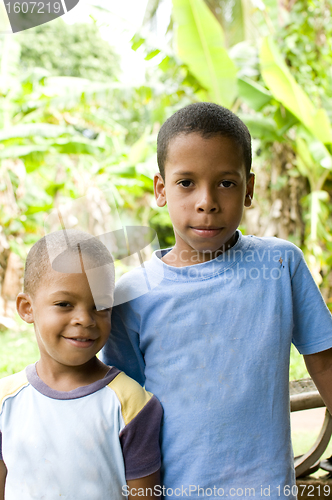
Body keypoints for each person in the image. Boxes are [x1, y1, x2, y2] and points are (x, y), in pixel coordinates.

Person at [101, 102, 332, 499]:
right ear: (161, 189)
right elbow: (125, 406)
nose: (206, 201)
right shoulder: (131, 295)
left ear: (250, 189)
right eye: (186, 183)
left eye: (226, 182)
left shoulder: (280, 263)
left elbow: (325, 362)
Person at [0, 229, 162, 500]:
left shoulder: (132, 404)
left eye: (101, 306)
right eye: (64, 304)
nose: (85, 319)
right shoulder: (5, 401)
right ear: (27, 308)